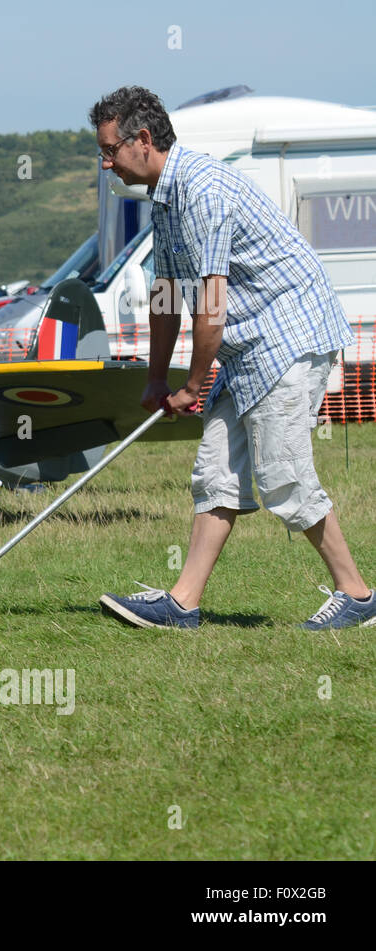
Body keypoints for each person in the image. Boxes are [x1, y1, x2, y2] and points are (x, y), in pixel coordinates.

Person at [90, 85, 372, 631]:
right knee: (217, 471)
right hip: (249, 347)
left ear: (143, 141)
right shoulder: (165, 198)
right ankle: (183, 603)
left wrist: (193, 386)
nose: (105, 163)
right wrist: (155, 378)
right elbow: (167, 296)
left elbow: (210, 307)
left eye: (110, 150)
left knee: (283, 475)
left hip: (288, 337)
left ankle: (358, 596)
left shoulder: (202, 192)